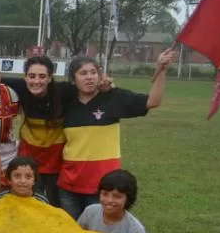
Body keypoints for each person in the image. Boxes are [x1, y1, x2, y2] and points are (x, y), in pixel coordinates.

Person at [58, 49, 174, 219]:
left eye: (93, 72)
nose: (89, 77)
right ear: (73, 80)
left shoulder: (113, 97)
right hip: (69, 185)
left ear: (100, 75)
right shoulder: (64, 101)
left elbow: (153, 101)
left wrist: (161, 70)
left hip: (103, 187)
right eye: (83, 73)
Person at [0, 56, 75, 206]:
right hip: (29, 157)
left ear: (50, 78)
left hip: (56, 160)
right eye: (31, 76)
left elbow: (89, 87)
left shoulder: (64, 91)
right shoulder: (21, 87)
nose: (36, 81)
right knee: (26, 202)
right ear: (25, 77)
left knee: (53, 205)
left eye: (42, 76)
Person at [77, 169, 148, 233]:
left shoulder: (134, 229)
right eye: (105, 194)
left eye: (117, 196)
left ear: (128, 199)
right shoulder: (90, 212)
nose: (109, 200)